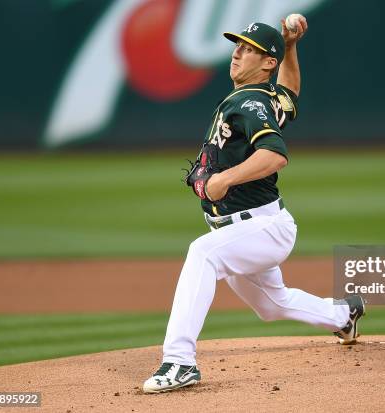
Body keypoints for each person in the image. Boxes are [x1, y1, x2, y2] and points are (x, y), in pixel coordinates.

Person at [143, 17, 365, 394]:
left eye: (248, 49)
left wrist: (224, 179)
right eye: (237, 45)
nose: (237, 52)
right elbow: (290, 95)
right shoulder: (265, 98)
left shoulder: (248, 102)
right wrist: (292, 47)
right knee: (271, 305)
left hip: (263, 227)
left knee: (203, 254)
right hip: (246, 228)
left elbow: (275, 154)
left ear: (267, 64)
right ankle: (344, 313)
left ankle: (179, 362)